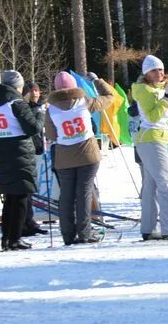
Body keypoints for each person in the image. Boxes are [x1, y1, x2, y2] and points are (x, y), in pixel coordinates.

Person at [45, 71, 115, 245]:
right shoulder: (84, 102)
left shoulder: (51, 109)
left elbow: (51, 134)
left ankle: (68, 235)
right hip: (88, 155)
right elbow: (109, 97)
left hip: (64, 157)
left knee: (66, 196)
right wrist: (97, 81)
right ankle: (84, 233)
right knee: (84, 193)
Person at [0, 70, 44, 251]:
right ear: (17, 86)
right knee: (20, 196)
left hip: (0, 151)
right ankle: (15, 239)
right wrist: (40, 112)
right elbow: (33, 128)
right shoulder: (16, 102)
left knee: (10, 197)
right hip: (18, 152)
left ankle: (6, 238)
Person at [132, 55, 168, 240]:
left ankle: (148, 228)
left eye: (161, 69)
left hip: (158, 139)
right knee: (165, 184)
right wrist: (167, 99)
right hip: (151, 139)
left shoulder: (160, 90)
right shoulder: (144, 90)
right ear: (146, 73)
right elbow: (153, 117)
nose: (159, 73)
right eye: (154, 70)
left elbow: (166, 111)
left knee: (151, 185)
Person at [21, 81, 47, 237]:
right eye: (32, 91)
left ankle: (30, 219)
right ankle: (26, 221)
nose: (35, 94)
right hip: (29, 149)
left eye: (37, 91)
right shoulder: (26, 108)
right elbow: (33, 127)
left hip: (40, 148)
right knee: (28, 186)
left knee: (33, 185)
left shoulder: (41, 107)